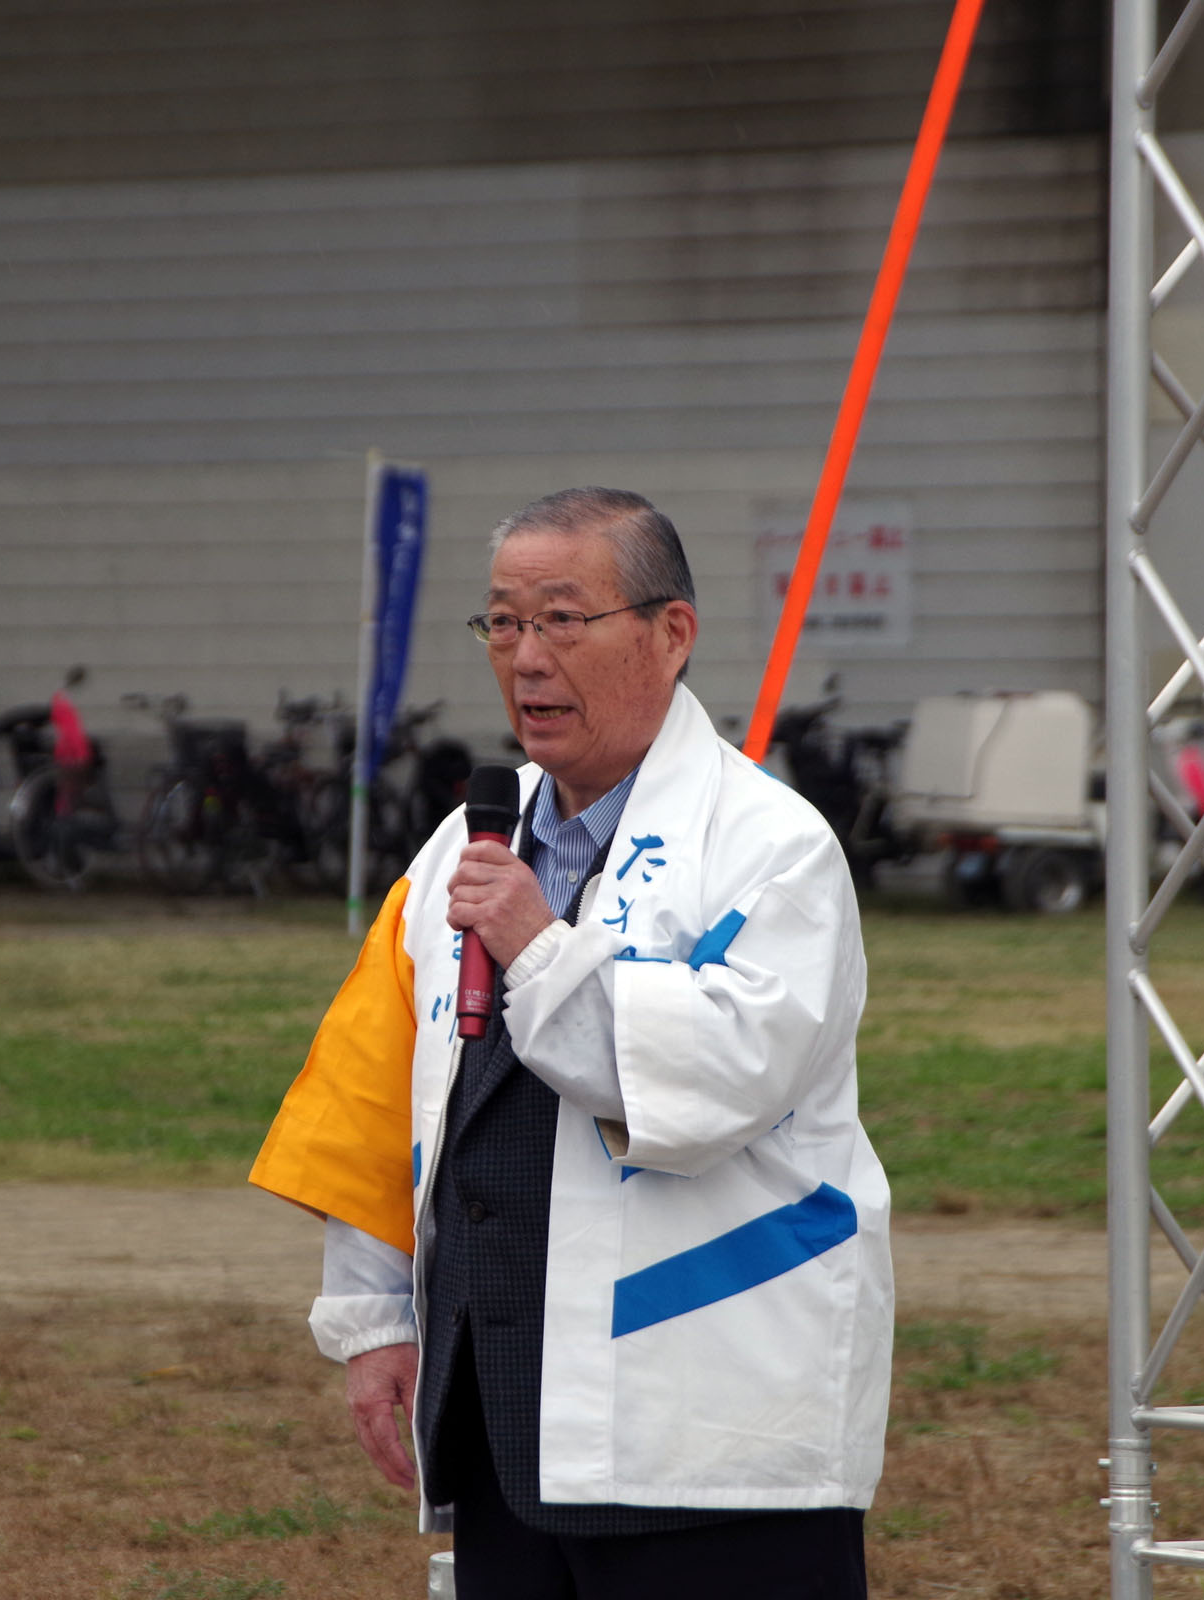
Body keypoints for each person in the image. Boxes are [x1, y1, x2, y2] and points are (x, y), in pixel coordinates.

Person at [250, 489, 890, 1598]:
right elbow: (386, 1093)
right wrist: (371, 1316)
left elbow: (706, 1088)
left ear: (671, 633)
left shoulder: (771, 847)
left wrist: (537, 947)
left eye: (561, 619)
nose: (526, 658)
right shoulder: (464, 843)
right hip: (506, 1423)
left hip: (709, 1428)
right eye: (502, 623)